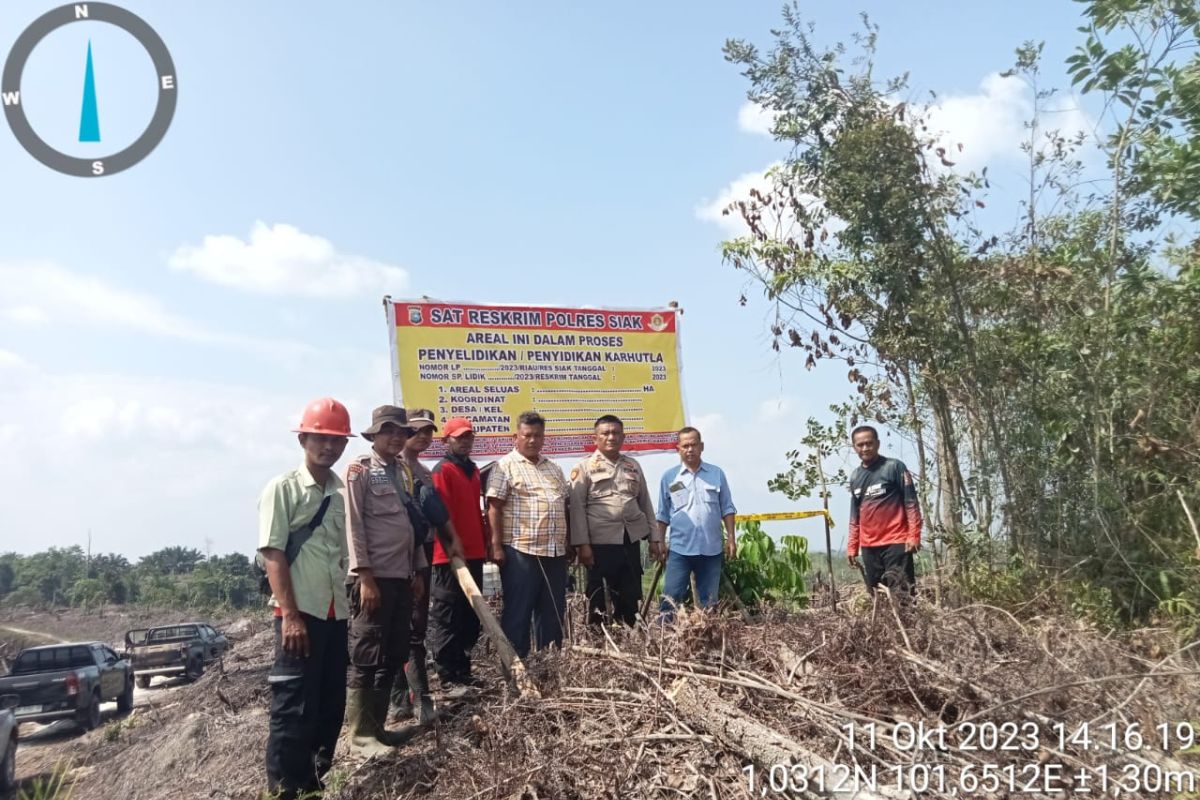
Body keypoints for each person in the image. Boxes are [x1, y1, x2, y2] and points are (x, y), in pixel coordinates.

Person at [257, 397, 354, 799]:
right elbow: (273, 553)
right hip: (301, 614)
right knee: (292, 709)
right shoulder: (284, 488)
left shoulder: (338, 490)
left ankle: (314, 784)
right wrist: (291, 616)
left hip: (335, 614)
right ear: (303, 439)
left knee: (330, 704)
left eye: (337, 440)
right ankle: (284, 790)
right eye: (321, 438)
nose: (329, 447)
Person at [343, 405, 426, 754]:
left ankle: (378, 731)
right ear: (374, 435)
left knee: (392, 654)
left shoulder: (403, 471)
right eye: (388, 430)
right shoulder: (360, 472)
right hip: (373, 579)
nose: (396, 437)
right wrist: (365, 577)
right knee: (367, 655)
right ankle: (360, 736)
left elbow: (411, 524)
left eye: (401, 432)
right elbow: (354, 525)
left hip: (401, 576)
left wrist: (417, 570)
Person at [486, 410, 571, 656]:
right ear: (516, 437)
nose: (532, 440)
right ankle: (516, 674)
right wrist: (496, 546)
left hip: (554, 551)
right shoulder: (505, 466)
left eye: (537, 435)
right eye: (527, 435)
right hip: (520, 551)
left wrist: (568, 542)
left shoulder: (553, 468)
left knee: (552, 613)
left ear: (544, 438)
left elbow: (564, 506)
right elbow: (494, 507)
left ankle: (549, 668)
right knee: (518, 613)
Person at [569, 414, 663, 625]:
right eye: (606, 433)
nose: (611, 437)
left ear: (623, 437)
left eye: (616, 433)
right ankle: (598, 647)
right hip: (600, 544)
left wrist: (655, 538)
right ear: (596, 438)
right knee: (598, 600)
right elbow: (577, 509)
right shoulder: (583, 467)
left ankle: (629, 644)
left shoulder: (632, 465)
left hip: (630, 540)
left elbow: (645, 502)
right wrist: (582, 545)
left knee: (629, 599)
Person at [427, 417, 489, 685]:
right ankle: (447, 676)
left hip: (474, 553)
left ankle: (464, 671)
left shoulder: (473, 470)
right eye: (459, 437)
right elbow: (440, 514)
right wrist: (452, 547)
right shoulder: (442, 471)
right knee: (448, 617)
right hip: (449, 556)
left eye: (468, 437)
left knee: (469, 619)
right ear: (446, 440)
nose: (465, 442)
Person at [656, 427, 737, 614]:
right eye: (685, 445)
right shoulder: (670, 477)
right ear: (678, 449)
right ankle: (664, 639)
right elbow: (662, 514)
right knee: (670, 600)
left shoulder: (716, 474)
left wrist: (731, 538)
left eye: (693, 445)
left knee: (709, 603)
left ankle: (708, 641)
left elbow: (727, 508)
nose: (690, 449)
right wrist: (660, 541)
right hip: (680, 550)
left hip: (711, 549)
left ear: (701, 447)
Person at [390, 408, 438, 725]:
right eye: (417, 430)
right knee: (396, 627)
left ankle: (413, 699)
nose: (423, 437)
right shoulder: (382, 470)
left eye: (428, 432)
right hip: (394, 557)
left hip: (424, 552)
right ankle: (405, 701)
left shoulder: (423, 472)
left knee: (416, 625)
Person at [846, 425, 922, 594]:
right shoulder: (855, 477)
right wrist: (852, 546)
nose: (865, 448)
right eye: (860, 445)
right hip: (869, 546)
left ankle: (906, 621)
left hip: (896, 542)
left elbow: (911, 503)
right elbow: (855, 516)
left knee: (903, 594)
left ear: (878, 444)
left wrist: (914, 535)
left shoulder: (894, 467)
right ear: (854, 447)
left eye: (869, 443)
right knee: (877, 596)